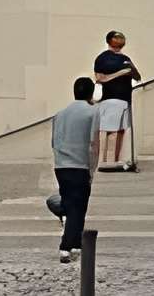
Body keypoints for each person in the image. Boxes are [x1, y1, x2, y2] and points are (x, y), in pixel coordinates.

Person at [47, 76, 99, 261]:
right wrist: (92, 169)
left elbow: (54, 142)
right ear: (91, 93)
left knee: (72, 204)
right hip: (79, 165)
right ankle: (66, 246)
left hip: (61, 166)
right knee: (78, 206)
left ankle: (76, 243)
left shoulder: (59, 114)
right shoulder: (93, 112)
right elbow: (94, 143)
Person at [91, 29, 141, 170]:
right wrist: (121, 73)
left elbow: (137, 77)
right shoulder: (102, 58)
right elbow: (100, 78)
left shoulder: (126, 59)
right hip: (109, 99)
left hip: (125, 99)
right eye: (116, 39)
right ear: (109, 41)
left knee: (119, 131)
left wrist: (131, 70)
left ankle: (113, 162)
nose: (119, 42)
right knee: (107, 131)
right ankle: (103, 162)